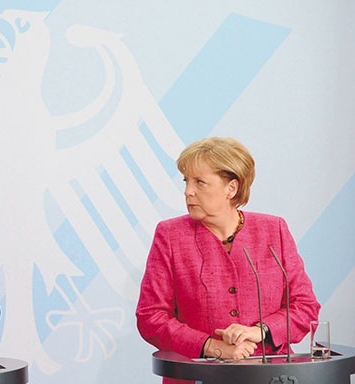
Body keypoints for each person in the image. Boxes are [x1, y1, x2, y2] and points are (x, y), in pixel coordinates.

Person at [135, 137, 320, 384]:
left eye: (200, 182)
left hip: (268, 376)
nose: (188, 191)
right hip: (196, 376)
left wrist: (259, 332)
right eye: (186, 181)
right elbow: (151, 316)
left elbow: (305, 307)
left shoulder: (273, 230)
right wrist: (213, 347)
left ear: (231, 188)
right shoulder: (170, 235)